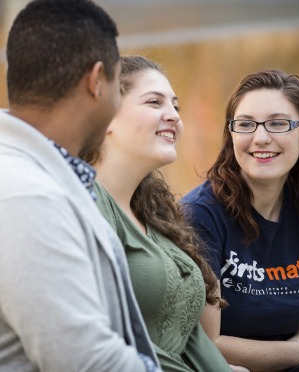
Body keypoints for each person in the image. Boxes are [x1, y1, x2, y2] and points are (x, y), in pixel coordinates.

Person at [0, 1, 160, 371]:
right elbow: (88, 361)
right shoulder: (25, 199)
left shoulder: (27, 178)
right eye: (116, 86)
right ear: (95, 81)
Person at [182, 69, 299, 371]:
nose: (260, 138)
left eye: (278, 124)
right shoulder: (201, 215)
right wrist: (295, 353)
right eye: (245, 124)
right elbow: (208, 345)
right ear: (231, 134)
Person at [85, 55, 235, 371]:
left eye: (175, 106)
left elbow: (192, 339)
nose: (173, 116)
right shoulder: (86, 204)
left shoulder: (156, 217)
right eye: (155, 103)